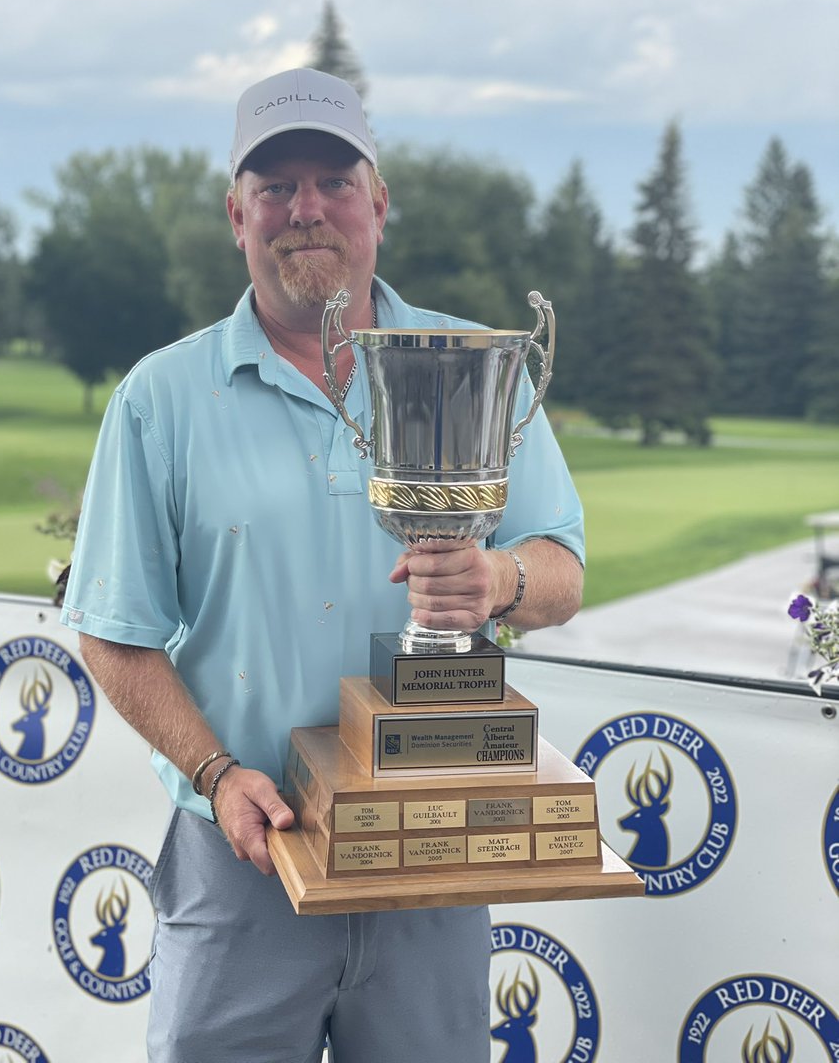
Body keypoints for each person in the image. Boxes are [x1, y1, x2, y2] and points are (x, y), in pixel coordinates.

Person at [62, 67, 585, 1063]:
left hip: (433, 859)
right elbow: (112, 630)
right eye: (276, 186)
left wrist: (496, 582)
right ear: (237, 214)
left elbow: (562, 565)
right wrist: (217, 775)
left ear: (378, 202)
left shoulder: (471, 364)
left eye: (334, 181)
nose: (307, 210)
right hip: (243, 862)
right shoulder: (161, 399)